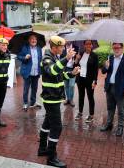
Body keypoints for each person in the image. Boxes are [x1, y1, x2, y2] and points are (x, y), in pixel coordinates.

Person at [37, 36, 80, 168]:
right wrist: (66, 58)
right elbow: (53, 70)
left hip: (54, 97)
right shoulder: (47, 59)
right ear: (54, 47)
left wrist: (72, 73)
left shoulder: (55, 57)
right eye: (61, 47)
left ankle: (42, 149)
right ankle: (51, 157)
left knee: (47, 123)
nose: (62, 49)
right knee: (57, 127)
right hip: (51, 99)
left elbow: (59, 75)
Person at [100, 43, 124, 137]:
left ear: (122, 48)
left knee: (121, 110)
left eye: (118, 47)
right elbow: (103, 71)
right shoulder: (110, 58)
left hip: (121, 89)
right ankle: (109, 124)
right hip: (109, 87)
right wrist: (106, 66)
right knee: (110, 108)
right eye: (114, 48)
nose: (116, 49)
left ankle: (120, 127)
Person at [74, 40, 99, 122]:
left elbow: (96, 70)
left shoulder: (94, 56)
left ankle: (91, 115)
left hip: (89, 80)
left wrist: (95, 81)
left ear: (92, 45)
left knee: (90, 97)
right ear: (84, 45)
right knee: (81, 96)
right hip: (80, 78)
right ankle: (80, 112)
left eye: (90, 44)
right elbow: (75, 66)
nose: (88, 45)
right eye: (86, 44)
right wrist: (76, 60)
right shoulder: (80, 53)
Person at [17, 34, 43, 111]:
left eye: (35, 39)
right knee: (26, 89)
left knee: (35, 88)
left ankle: (33, 102)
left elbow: (40, 59)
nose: (34, 40)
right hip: (27, 72)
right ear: (29, 40)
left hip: (36, 72)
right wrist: (25, 57)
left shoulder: (39, 48)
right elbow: (19, 56)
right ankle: (25, 103)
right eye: (32, 39)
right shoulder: (25, 47)